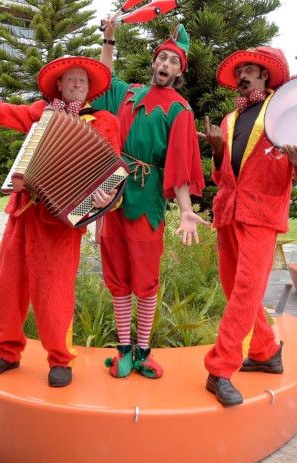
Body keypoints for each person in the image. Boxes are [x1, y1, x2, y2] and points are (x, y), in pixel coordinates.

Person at [0, 38, 123, 388]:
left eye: (82, 80)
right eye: (71, 79)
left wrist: (103, 198)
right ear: (59, 84)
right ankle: (6, 353)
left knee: (54, 292)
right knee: (9, 288)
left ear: (90, 89)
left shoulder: (105, 121)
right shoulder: (40, 112)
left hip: (62, 224)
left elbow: (113, 172)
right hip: (23, 212)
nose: (76, 84)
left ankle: (60, 359)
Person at [200, 46, 297, 407]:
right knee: (234, 288)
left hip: (262, 213)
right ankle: (266, 351)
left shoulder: (285, 110)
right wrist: (219, 151)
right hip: (228, 210)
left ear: (265, 76)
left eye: (251, 70)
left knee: (246, 290)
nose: (244, 75)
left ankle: (220, 369)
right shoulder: (228, 119)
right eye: (240, 70)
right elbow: (222, 175)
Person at [93, 21, 207, 380]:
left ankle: (144, 351)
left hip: (148, 197)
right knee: (116, 274)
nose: (166, 64)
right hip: (113, 188)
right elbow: (103, 81)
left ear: (179, 71)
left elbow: (180, 164)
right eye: (163, 57)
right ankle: (123, 349)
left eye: (174, 61)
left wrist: (186, 210)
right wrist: (109, 39)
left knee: (145, 278)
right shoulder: (129, 94)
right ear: (154, 62)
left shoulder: (180, 109)